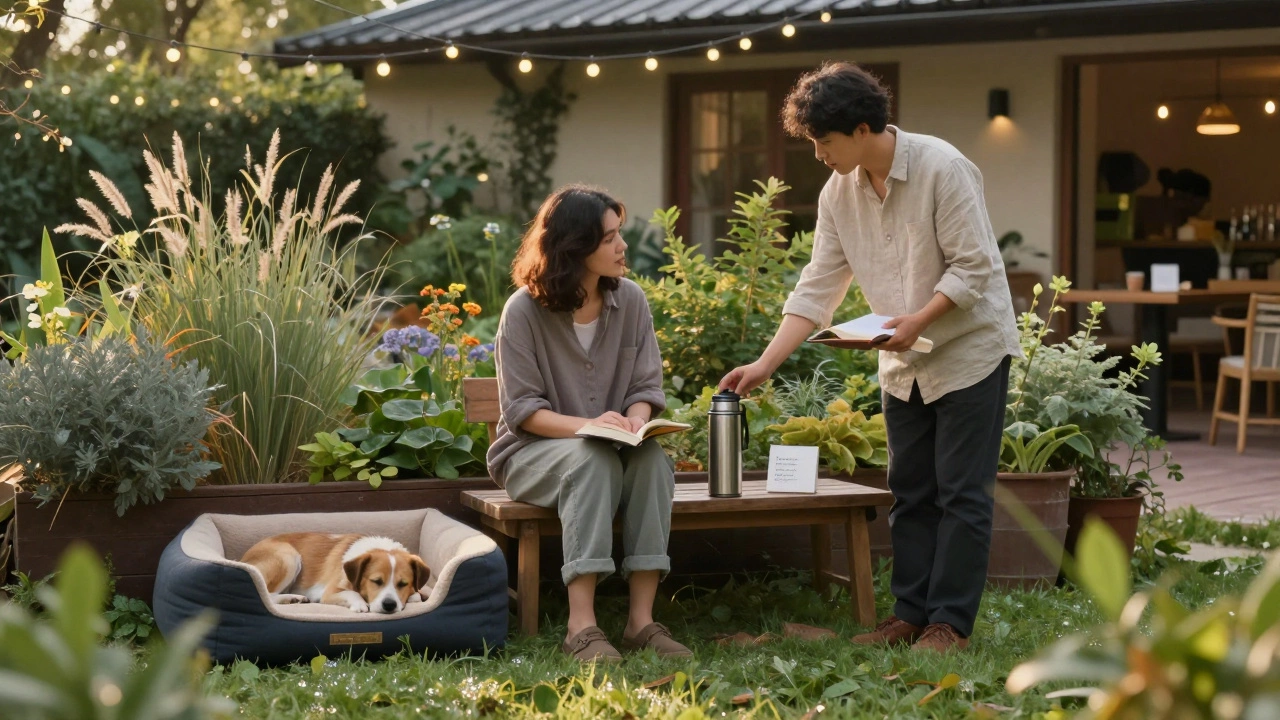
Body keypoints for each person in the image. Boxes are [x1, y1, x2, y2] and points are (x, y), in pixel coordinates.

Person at [719, 62, 1021, 653]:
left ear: (861, 130)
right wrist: (763, 365)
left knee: (961, 492)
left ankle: (949, 624)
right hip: (902, 362)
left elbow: (974, 267)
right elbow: (818, 287)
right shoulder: (838, 193)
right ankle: (909, 614)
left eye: (821, 141)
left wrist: (919, 321)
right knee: (909, 490)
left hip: (968, 352)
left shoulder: (944, 167)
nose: (817, 155)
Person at [488, 184, 690, 662]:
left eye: (619, 234)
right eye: (609, 239)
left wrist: (635, 424)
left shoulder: (632, 301)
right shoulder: (523, 312)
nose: (623, 247)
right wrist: (591, 427)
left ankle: (641, 622)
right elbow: (523, 412)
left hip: (607, 446)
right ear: (574, 248)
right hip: (531, 455)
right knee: (590, 458)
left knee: (652, 460)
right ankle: (582, 626)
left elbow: (645, 390)